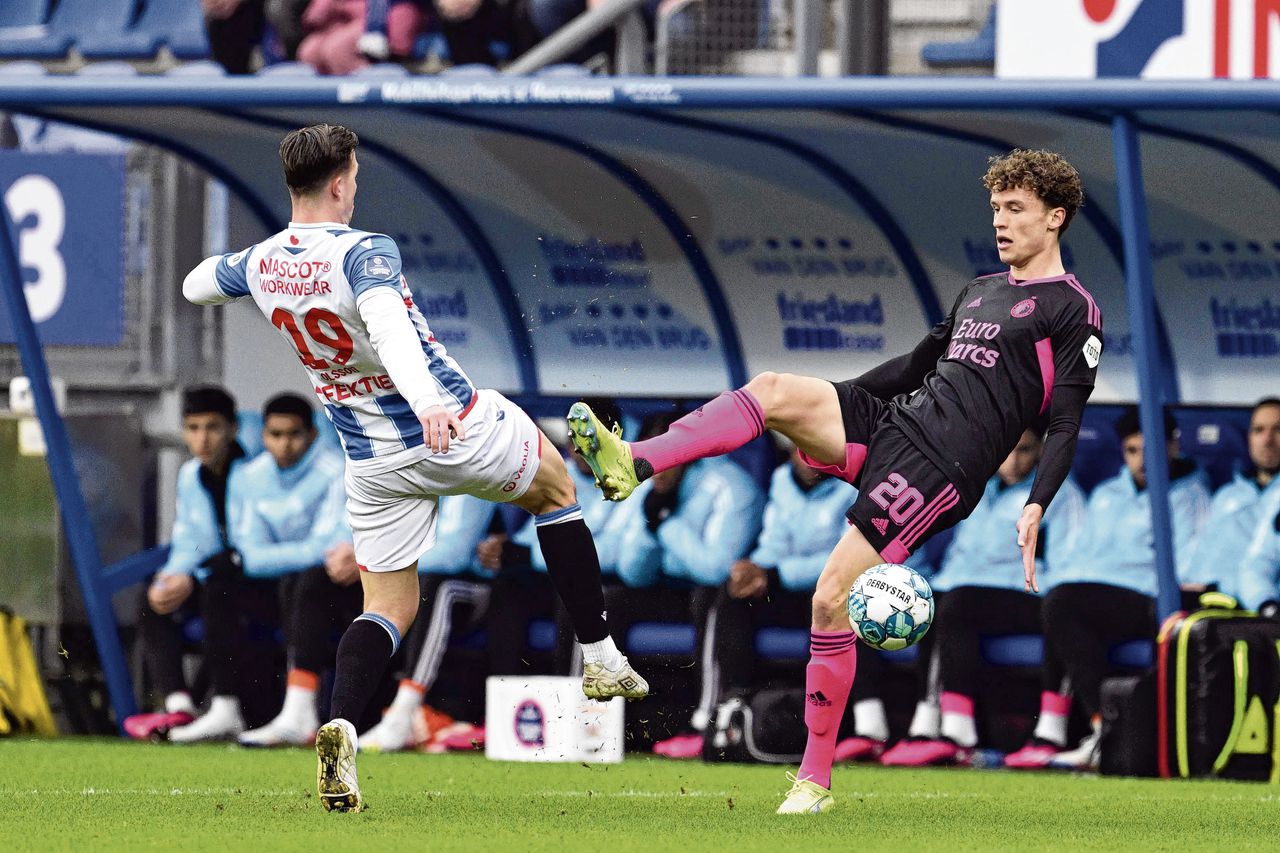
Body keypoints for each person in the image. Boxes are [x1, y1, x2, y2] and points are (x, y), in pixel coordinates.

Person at [569, 148, 1103, 814]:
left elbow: (1067, 424)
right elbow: (916, 364)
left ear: (1055, 217)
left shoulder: (1072, 308)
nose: (1001, 220)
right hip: (894, 422)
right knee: (773, 389)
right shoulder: (981, 288)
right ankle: (633, 461)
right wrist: (833, 399)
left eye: (1016, 209)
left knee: (829, 599)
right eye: (996, 207)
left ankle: (814, 778)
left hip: (941, 467)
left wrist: (1036, 502)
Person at [182, 124, 646, 812]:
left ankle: (339, 724)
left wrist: (253, 263)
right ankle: (602, 654)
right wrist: (428, 400)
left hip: (371, 464)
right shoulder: (364, 250)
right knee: (556, 486)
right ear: (340, 182)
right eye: (357, 176)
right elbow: (390, 327)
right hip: (452, 426)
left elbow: (195, 286)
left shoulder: (263, 262)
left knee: (389, 606)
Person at [1004, 407, 1210, 770]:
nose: (1142, 460)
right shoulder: (1106, 493)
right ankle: (1063, 732)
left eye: (1151, 450)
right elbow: (1079, 553)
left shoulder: (1192, 496)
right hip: (1097, 595)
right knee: (1059, 600)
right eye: (1133, 451)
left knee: (1063, 604)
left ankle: (1101, 728)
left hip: (1149, 598)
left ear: (1173, 447)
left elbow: (1194, 563)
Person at [878, 429, 1085, 767]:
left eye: (1025, 450)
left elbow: (1066, 566)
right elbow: (960, 557)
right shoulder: (980, 490)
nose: (1013, 461)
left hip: (1028, 595)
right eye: (1007, 450)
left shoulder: (1060, 494)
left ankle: (958, 731)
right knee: (925, 600)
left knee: (956, 604)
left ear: (1043, 450)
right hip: (966, 593)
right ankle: (926, 725)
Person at [126, 386, 279, 742]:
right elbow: (189, 539)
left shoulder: (257, 471)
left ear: (233, 429)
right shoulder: (191, 475)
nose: (202, 438)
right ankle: (180, 706)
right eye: (193, 428)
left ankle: (225, 708)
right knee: (152, 598)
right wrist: (175, 575)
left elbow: (249, 543)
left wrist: (193, 577)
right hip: (216, 579)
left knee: (216, 587)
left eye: (212, 427)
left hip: (259, 581)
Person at [234, 393, 362, 747]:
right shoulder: (250, 475)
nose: (284, 444)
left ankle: (300, 709)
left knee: (309, 581)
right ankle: (225, 707)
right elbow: (248, 553)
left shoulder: (336, 469)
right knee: (228, 587)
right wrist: (298, 555)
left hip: (334, 590)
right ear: (263, 436)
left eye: (294, 434)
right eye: (275, 435)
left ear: (313, 435)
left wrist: (274, 557)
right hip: (283, 587)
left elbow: (329, 553)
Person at [1187, 398, 1280, 606]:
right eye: (1259, 430)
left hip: (1250, 605)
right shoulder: (1227, 494)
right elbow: (1199, 551)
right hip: (1198, 596)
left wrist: (1219, 586)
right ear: (1249, 439)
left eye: (1278, 430)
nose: (1267, 439)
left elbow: (1263, 564)